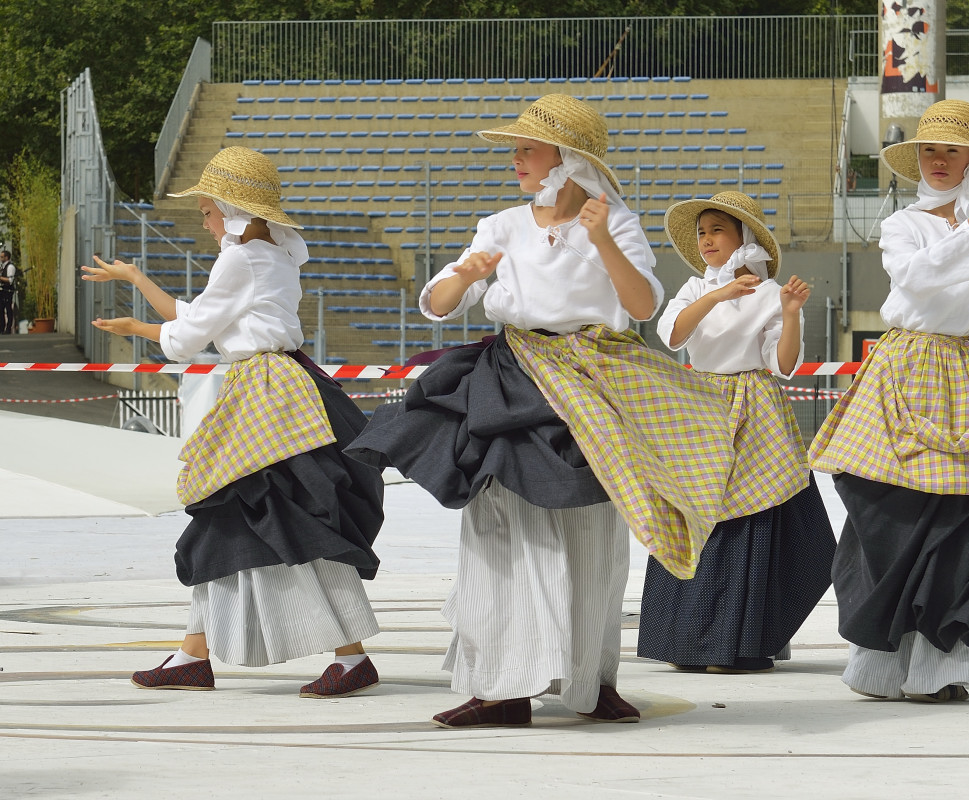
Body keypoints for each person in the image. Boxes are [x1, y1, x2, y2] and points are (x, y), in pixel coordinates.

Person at [346, 95, 803, 728]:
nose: (516, 158)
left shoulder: (614, 222)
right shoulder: (502, 225)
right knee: (505, 527)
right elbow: (439, 302)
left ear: (566, 160)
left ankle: (590, 681)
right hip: (513, 377)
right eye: (518, 148)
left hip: (597, 374)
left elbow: (643, 305)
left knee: (596, 531)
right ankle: (501, 686)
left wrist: (598, 238)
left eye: (528, 148)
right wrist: (466, 273)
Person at [82, 146, 386, 698]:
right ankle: (196, 654)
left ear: (229, 206)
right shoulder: (275, 253)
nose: (204, 219)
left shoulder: (239, 259)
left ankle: (339, 655)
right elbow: (201, 314)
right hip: (286, 389)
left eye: (206, 210)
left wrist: (137, 329)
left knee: (261, 514)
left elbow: (188, 335)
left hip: (265, 395)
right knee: (254, 515)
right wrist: (136, 279)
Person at [808, 99, 969, 703]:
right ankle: (882, 665)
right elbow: (914, 278)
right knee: (894, 511)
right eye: (928, 150)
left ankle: (940, 668)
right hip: (910, 365)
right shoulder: (904, 223)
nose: (938, 161)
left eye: (952, 151)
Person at [636, 192, 836, 675]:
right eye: (702, 232)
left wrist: (789, 312)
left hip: (754, 404)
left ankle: (742, 637)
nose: (706, 240)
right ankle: (691, 638)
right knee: (700, 515)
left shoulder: (771, 293)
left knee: (749, 517)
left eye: (717, 231)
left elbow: (783, 364)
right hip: (701, 401)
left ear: (742, 237)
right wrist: (719, 294)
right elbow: (674, 335)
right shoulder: (691, 289)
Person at [0, 250, 16, 334]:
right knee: (1, 309)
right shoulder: (2, 266)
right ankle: (1, 328)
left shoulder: (10, 267)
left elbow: (10, 280)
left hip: (7, 290)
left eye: (2, 257)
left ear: (6, 257)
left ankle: (8, 328)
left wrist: (0, 278)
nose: (0, 258)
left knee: (8, 308)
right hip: (2, 290)